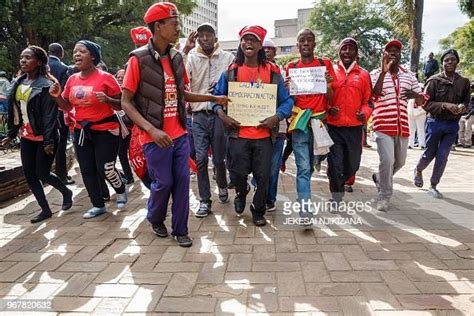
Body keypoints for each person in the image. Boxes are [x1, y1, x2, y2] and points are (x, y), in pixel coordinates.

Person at [121, 2, 228, 247]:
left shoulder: (178, 58)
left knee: (181, 182)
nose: (178, 28)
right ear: (157, 26)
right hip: (154, 137)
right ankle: (155, 217)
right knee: (164, 183)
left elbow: (183, 95)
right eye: (174, 23)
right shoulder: (137, 60)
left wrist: (213, 98)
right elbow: (126, 102)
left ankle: (181, 230)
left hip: (179, 135)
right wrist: (151, 129)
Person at [212, 25, 293, 226]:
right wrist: (223, 115)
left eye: (254, 40)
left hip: (264, 136)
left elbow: (287, 101)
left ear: (259, 46)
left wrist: (277, 117)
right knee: (238, 173)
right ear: (241, 44)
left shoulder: (273, 72)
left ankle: (258, 210)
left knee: (263, 175)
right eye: (245, 39)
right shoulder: (230, 73)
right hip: (238, 135)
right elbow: (215, 100)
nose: (249, 43)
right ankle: (241, 192)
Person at [49, 40, 128, 219]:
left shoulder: (106, 78)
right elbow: (67, 106)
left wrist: (108, 100)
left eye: (82, 51)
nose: (77, 55)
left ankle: (121, 189)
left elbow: (122, 104)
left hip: (106, 130)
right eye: (75, 52)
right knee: (87, 169)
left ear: (92, 56)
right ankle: (98, 205)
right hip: (81, 131)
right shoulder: (72, 79)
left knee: (105, 168)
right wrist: (56, 97)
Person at [1, 46, 73, 223]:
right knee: (29, 174)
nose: (23, 61)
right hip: (26, 136)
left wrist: (48, 141)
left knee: (43, 173)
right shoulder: (18, 83)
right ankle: (45, 209)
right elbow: (15, 111)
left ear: (39, 61)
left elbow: (50, 116)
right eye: (21, 58)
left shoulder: (46, 85)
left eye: (28, 58)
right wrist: (11, 135)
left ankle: (66, 192)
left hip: (45, 138)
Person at [183, 22, 235, 217]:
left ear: (215, 37)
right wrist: (185, 50)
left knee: (220, 159)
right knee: (201, 158)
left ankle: (222, 185)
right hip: (198, 115)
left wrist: (223, 90)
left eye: (208, 35)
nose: (204, 38)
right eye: (201, 35)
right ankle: (205, 200)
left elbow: (237, 83)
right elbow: (179, 79)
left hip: (220, 115)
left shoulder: (228, 57)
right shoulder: (191, 58)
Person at [285, 28, 336, 220]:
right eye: (302, 41)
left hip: (321, 122)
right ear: (297, 45)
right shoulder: (291, 67)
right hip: (301, 123)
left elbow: (331, 97)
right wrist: (288, 88)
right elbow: (289, 98)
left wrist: (329, 85)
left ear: (314, 44)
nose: (306, 44)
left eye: (309, 40)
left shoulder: (325, 64)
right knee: (303, 167)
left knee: (316, 160)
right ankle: (305, 210)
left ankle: (317, 161)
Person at [371, 39, 426, 211]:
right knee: (387, 160)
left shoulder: (409, 75)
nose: (393, 53)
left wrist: (414, 94)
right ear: (384, 54)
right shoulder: (375, 73)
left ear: (401, 54)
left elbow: (422, 99)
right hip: (382, 124)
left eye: (397, 51)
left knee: (400, 161)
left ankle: (379, 177)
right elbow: (374, 94)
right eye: (390, 50)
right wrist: (383, 71)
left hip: (402, 125)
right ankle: (384, 196)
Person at [414, 49, 471, 198]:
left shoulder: (463, 82)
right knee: (429, 153)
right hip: (435, 122)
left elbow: (466, 102)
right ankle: (418, 170)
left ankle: (433, 185)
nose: (450, 62)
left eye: (453, 59)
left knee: (443, 155)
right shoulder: (433, 81)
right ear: (442, 63)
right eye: (446, 60)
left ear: (457, 62)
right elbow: (425, 104)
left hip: (452, 125)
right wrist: (445, 105)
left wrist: (463, 108)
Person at [326, 38, 372, 202]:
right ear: (339, 51)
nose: (347, 52)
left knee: (353, 165)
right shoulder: (331, 72)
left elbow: (368, 102)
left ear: (356, 53)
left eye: (351, 49)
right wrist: (329, 109)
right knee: (335, 164)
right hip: (334, 127)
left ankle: (338, 177)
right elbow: (325, 97)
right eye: (344, 48)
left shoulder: (364, 75)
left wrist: (364, 114)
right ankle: (336, 197)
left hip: (354, 128)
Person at [261, 38, 286, 211]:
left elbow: (287, 100)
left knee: (274, 166)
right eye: (265, 49)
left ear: (275, 52)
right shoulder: (252, 69)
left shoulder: (282, 72)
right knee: (259, 165)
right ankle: (258, 186)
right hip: (258, 126)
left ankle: (270, 198)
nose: (268, 52)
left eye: (271, 49)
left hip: (279, 127)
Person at [48, 43, 75, 186]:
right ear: (62, 54)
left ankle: (44, 175)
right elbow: (65, 92)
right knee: (61, 143)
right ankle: (61, 176)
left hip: (42, 112)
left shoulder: (39, 65)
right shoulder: (64, 69)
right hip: (58, 110)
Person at [407, 83, 427, 149]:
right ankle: (410, 144)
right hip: (411, 114)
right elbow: (409, 106)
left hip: (421, 114)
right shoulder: (411, 98)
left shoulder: (425, 97)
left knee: (421, 129)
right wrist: (410, 113)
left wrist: (418, 113)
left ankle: (422, 144)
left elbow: (425, 107)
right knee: (411, 130)